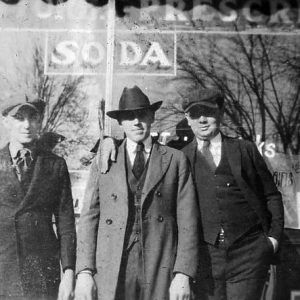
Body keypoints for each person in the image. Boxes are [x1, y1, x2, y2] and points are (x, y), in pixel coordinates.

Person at [100, 87, 284, 300]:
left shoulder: (244, 150)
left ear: (221, 114)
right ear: (187, 119)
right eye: (195, 114)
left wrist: (273, 239)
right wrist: (108, 140)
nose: (202, 119)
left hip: (248, 253)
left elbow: (272, 195)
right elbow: (137, 143)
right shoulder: (180, 156)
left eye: (208, 112)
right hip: (206, 257)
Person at [75, 86, 199, 300]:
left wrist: (183, 273)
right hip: (114, 263)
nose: (136, 122)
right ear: (120, 122)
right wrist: (85, 271)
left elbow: (188, 220)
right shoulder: (105, 159)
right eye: (129, 116)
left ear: (151, 117)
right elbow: (89, 218)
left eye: (141, 114)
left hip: (160, 262)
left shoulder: (175, 160)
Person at [0, 98, 76, 300]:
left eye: (32, 118)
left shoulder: (55, 165)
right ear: (5, 121)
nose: (26, 125)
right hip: (3, 272)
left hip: (42, 272)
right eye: (18, 117)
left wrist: (68, 272)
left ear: (39, 122)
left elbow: (66, 223)